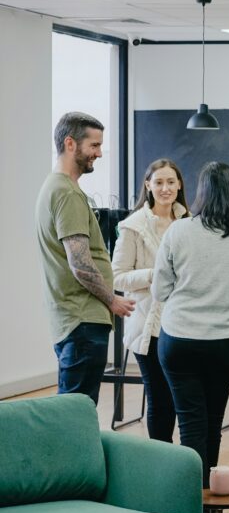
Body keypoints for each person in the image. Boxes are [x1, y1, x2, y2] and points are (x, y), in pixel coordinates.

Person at [153, 161, 229, 487]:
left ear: (201, 193)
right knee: (212, 421)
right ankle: (207, 500)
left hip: (178, 340)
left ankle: (192, 499)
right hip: (225, 344)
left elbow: (159, 290)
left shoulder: (178, 230)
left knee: (191, 421)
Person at [36, 112, 134, 404]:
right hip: (82, 320)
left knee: (74, 409)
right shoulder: (66, 193)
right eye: (94, 145)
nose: (99, 153)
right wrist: (112, 299)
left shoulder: (58, 188)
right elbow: (80, 262)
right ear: (70, 143)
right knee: (75, 413)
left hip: (77, 320)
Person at [111, 158, 189, 442]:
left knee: (182, 399)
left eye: (170, 182)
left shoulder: (189, 223)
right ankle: (161, 461)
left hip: (183, 323)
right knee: (159, 398)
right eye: (159, 182)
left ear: (179, 185)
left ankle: (182, 463)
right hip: (149, 325)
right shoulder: (133, 226)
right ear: (148, 186)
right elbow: (116, 276)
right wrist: (155, 275)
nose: (165, 188)